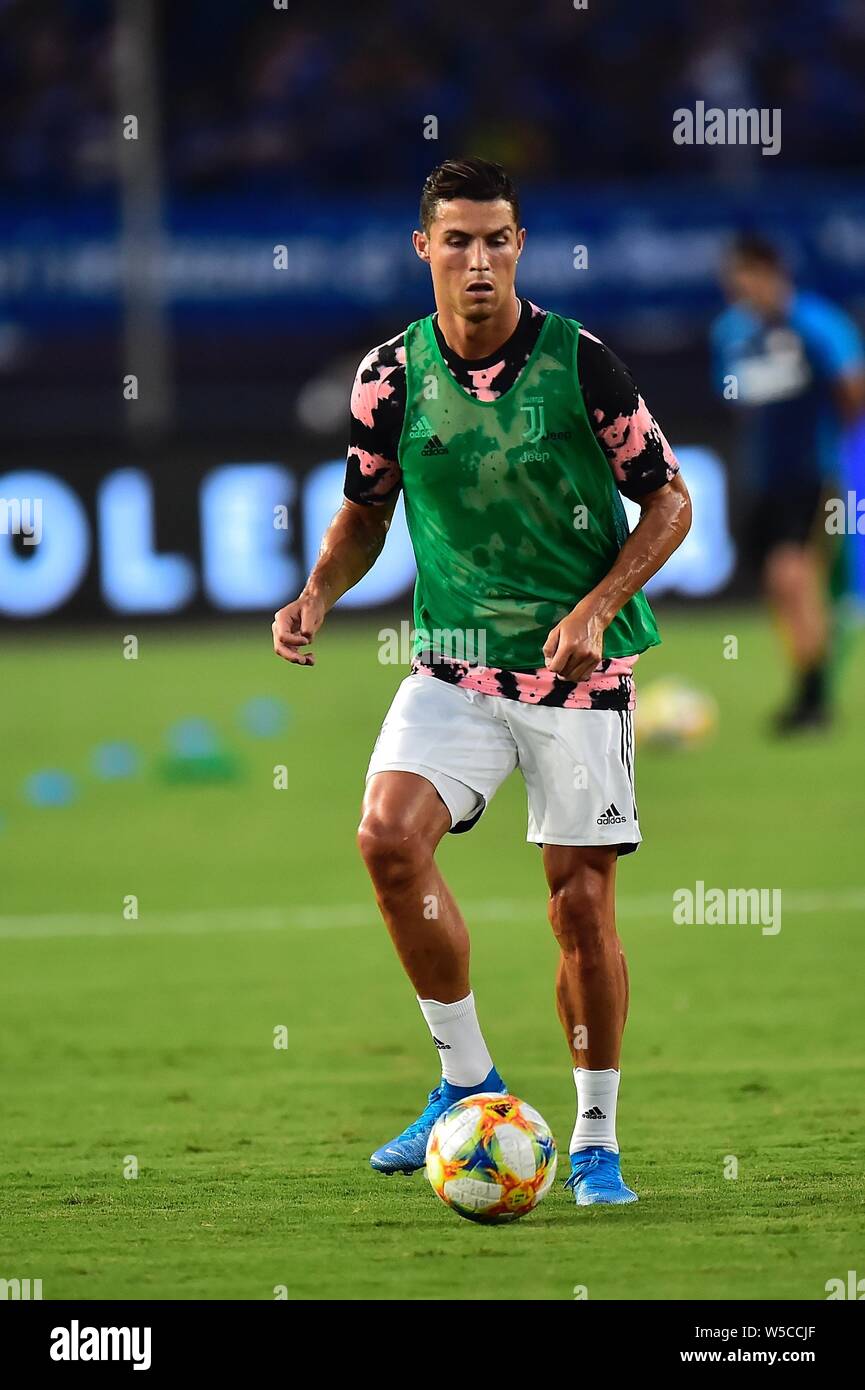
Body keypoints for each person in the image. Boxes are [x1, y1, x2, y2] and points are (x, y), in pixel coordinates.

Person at [273, 158, 691, 1206]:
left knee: (579, 904)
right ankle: (467, 1081)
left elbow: (670, 501)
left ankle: (594, 1138)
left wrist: (596, 608)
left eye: (496, 237)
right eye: (456, 239)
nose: (478, 259)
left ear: (519, 246)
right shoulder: (389, 376)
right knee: (383, 837)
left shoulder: (582, 364)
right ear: (424, 249)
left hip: (573, 675)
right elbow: (366, 510)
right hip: (453, 659)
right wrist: (318, 593)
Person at [712, 234, 865, 732]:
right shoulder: (731, 332)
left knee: (790, 576)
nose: (743, 289)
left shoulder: (816, 324)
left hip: (811, 476)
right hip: (763, 479)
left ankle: (814, 697)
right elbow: (733, 398)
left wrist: (831, 445)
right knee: (783, 587)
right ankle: (809, 685)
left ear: (773, 273)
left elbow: (851, 387)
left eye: (749, 277)